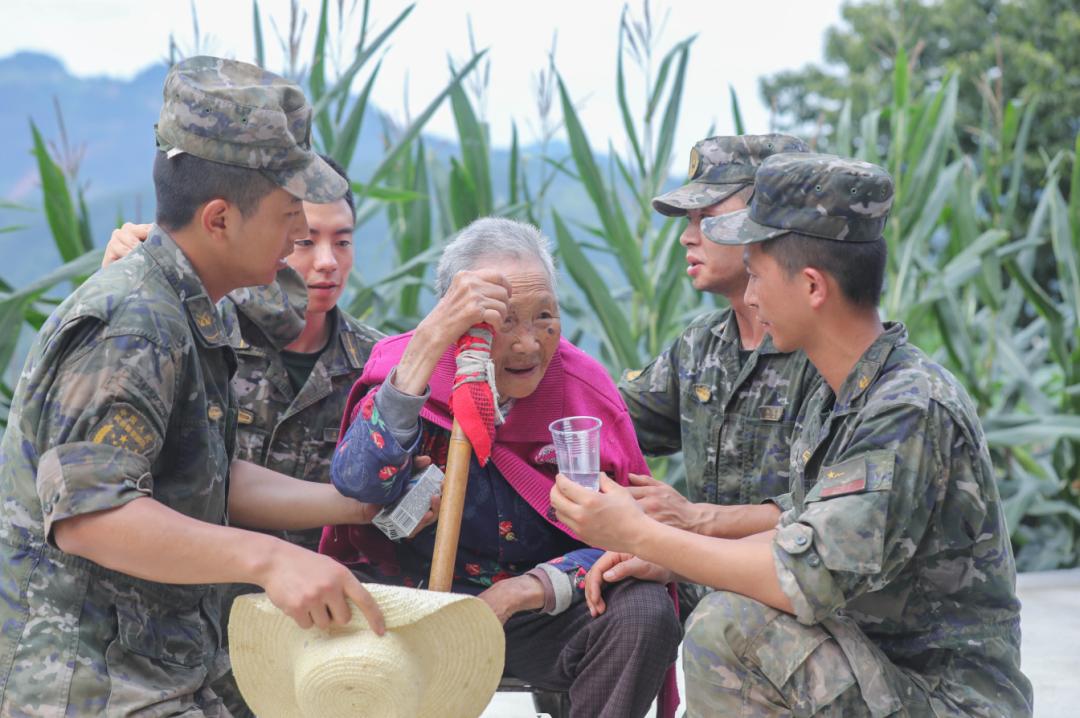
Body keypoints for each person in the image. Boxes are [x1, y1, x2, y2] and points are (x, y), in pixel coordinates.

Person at [552, 153, 1032, 716]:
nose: (750, 298)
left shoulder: (908, 409)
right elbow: (799, 534)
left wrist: (643, 535)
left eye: (756, 275)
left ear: (811, 286)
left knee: (729, 629)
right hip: (877, 670)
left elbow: (802, 576)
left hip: (944, 698)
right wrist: (671, 559)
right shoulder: (841, 392)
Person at [0, 56, 386, 715]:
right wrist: (269, 560)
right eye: (289, 214)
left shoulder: (193, 310)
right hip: (91, 684)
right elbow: (93, 518)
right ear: (218, 220)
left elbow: (202, 471)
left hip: (173, 663)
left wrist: (351, 505)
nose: (301, 234)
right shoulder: (136, 324)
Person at [322, 217, 682, 718]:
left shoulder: (583, 393)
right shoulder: (407, 367)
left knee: (644, 609)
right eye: (504, 320)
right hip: (412, 604)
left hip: (538, 611)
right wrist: (428, 345)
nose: (528, 344)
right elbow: (357, 482)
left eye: (544, 317)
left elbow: (631, 541)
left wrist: (522, 591)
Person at [618, 134, 820, 612]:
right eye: (689, 222)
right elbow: (613, 419)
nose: (688, 237)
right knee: (598, 589)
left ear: (766, 222)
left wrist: (692, 520)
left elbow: (824, 519)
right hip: (705, 574)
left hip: (794, 584)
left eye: (707, 220)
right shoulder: (700, 345)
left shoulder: (823, 350)